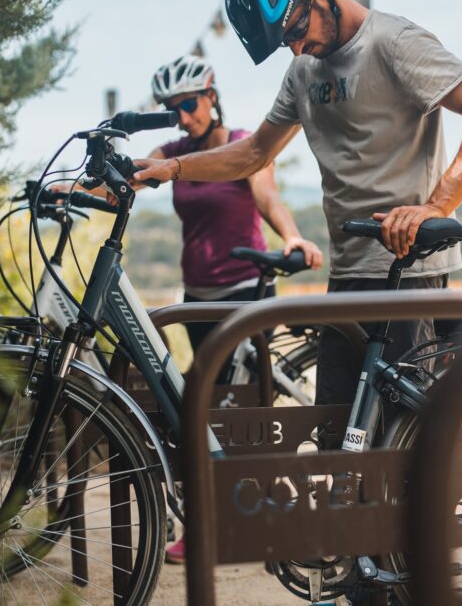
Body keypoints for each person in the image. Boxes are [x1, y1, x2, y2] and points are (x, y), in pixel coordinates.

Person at [134, 0, 462, 422]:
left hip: (407, 269)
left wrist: (437, 206)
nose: (294, 47)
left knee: (397, 440)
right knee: (335, 430)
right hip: (348, 270)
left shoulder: (393, 41)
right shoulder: (302, 70)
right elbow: (255, 152)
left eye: (294, 30)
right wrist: (173, 169)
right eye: (283, 41)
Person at [146, 54, 322, 564]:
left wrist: (290, 235)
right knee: (206, 410)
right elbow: (130, 178)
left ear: (211, 95)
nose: (182, 116)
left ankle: (229, 522)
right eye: (172, 108)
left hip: (245, 291)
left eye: (189, 104)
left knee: (236, 411)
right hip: (197, 300)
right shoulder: (172, 151)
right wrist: (77, 189)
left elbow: (267, 196)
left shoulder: (242, 145)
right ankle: (223, 518)